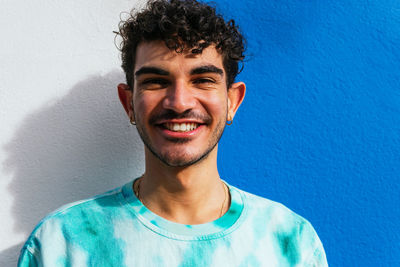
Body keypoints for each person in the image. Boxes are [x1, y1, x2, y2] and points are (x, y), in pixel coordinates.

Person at [18, 0, 328, 266]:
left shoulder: (289, 243)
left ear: (232, 101)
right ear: (128, 103)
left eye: (203, 80)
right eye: (156, 81)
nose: (179, 102)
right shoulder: (62, 243)